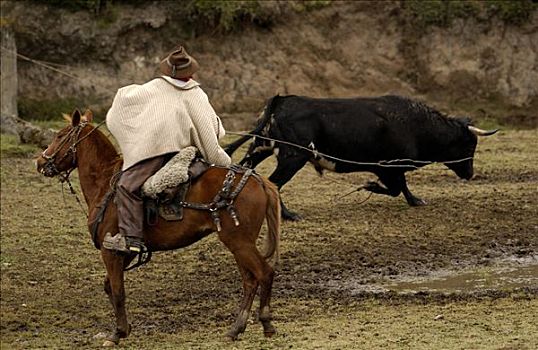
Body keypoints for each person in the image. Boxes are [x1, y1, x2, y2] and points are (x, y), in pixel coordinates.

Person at [103, 45, 232, 255]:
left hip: (155, 151)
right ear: (191, 71)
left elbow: (123, 97)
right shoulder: (195, 94)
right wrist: (222, 159)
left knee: (126, 186)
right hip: (180, 148)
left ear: (167, 69)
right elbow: (210, 130)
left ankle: (132, 239)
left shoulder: (154, 87)